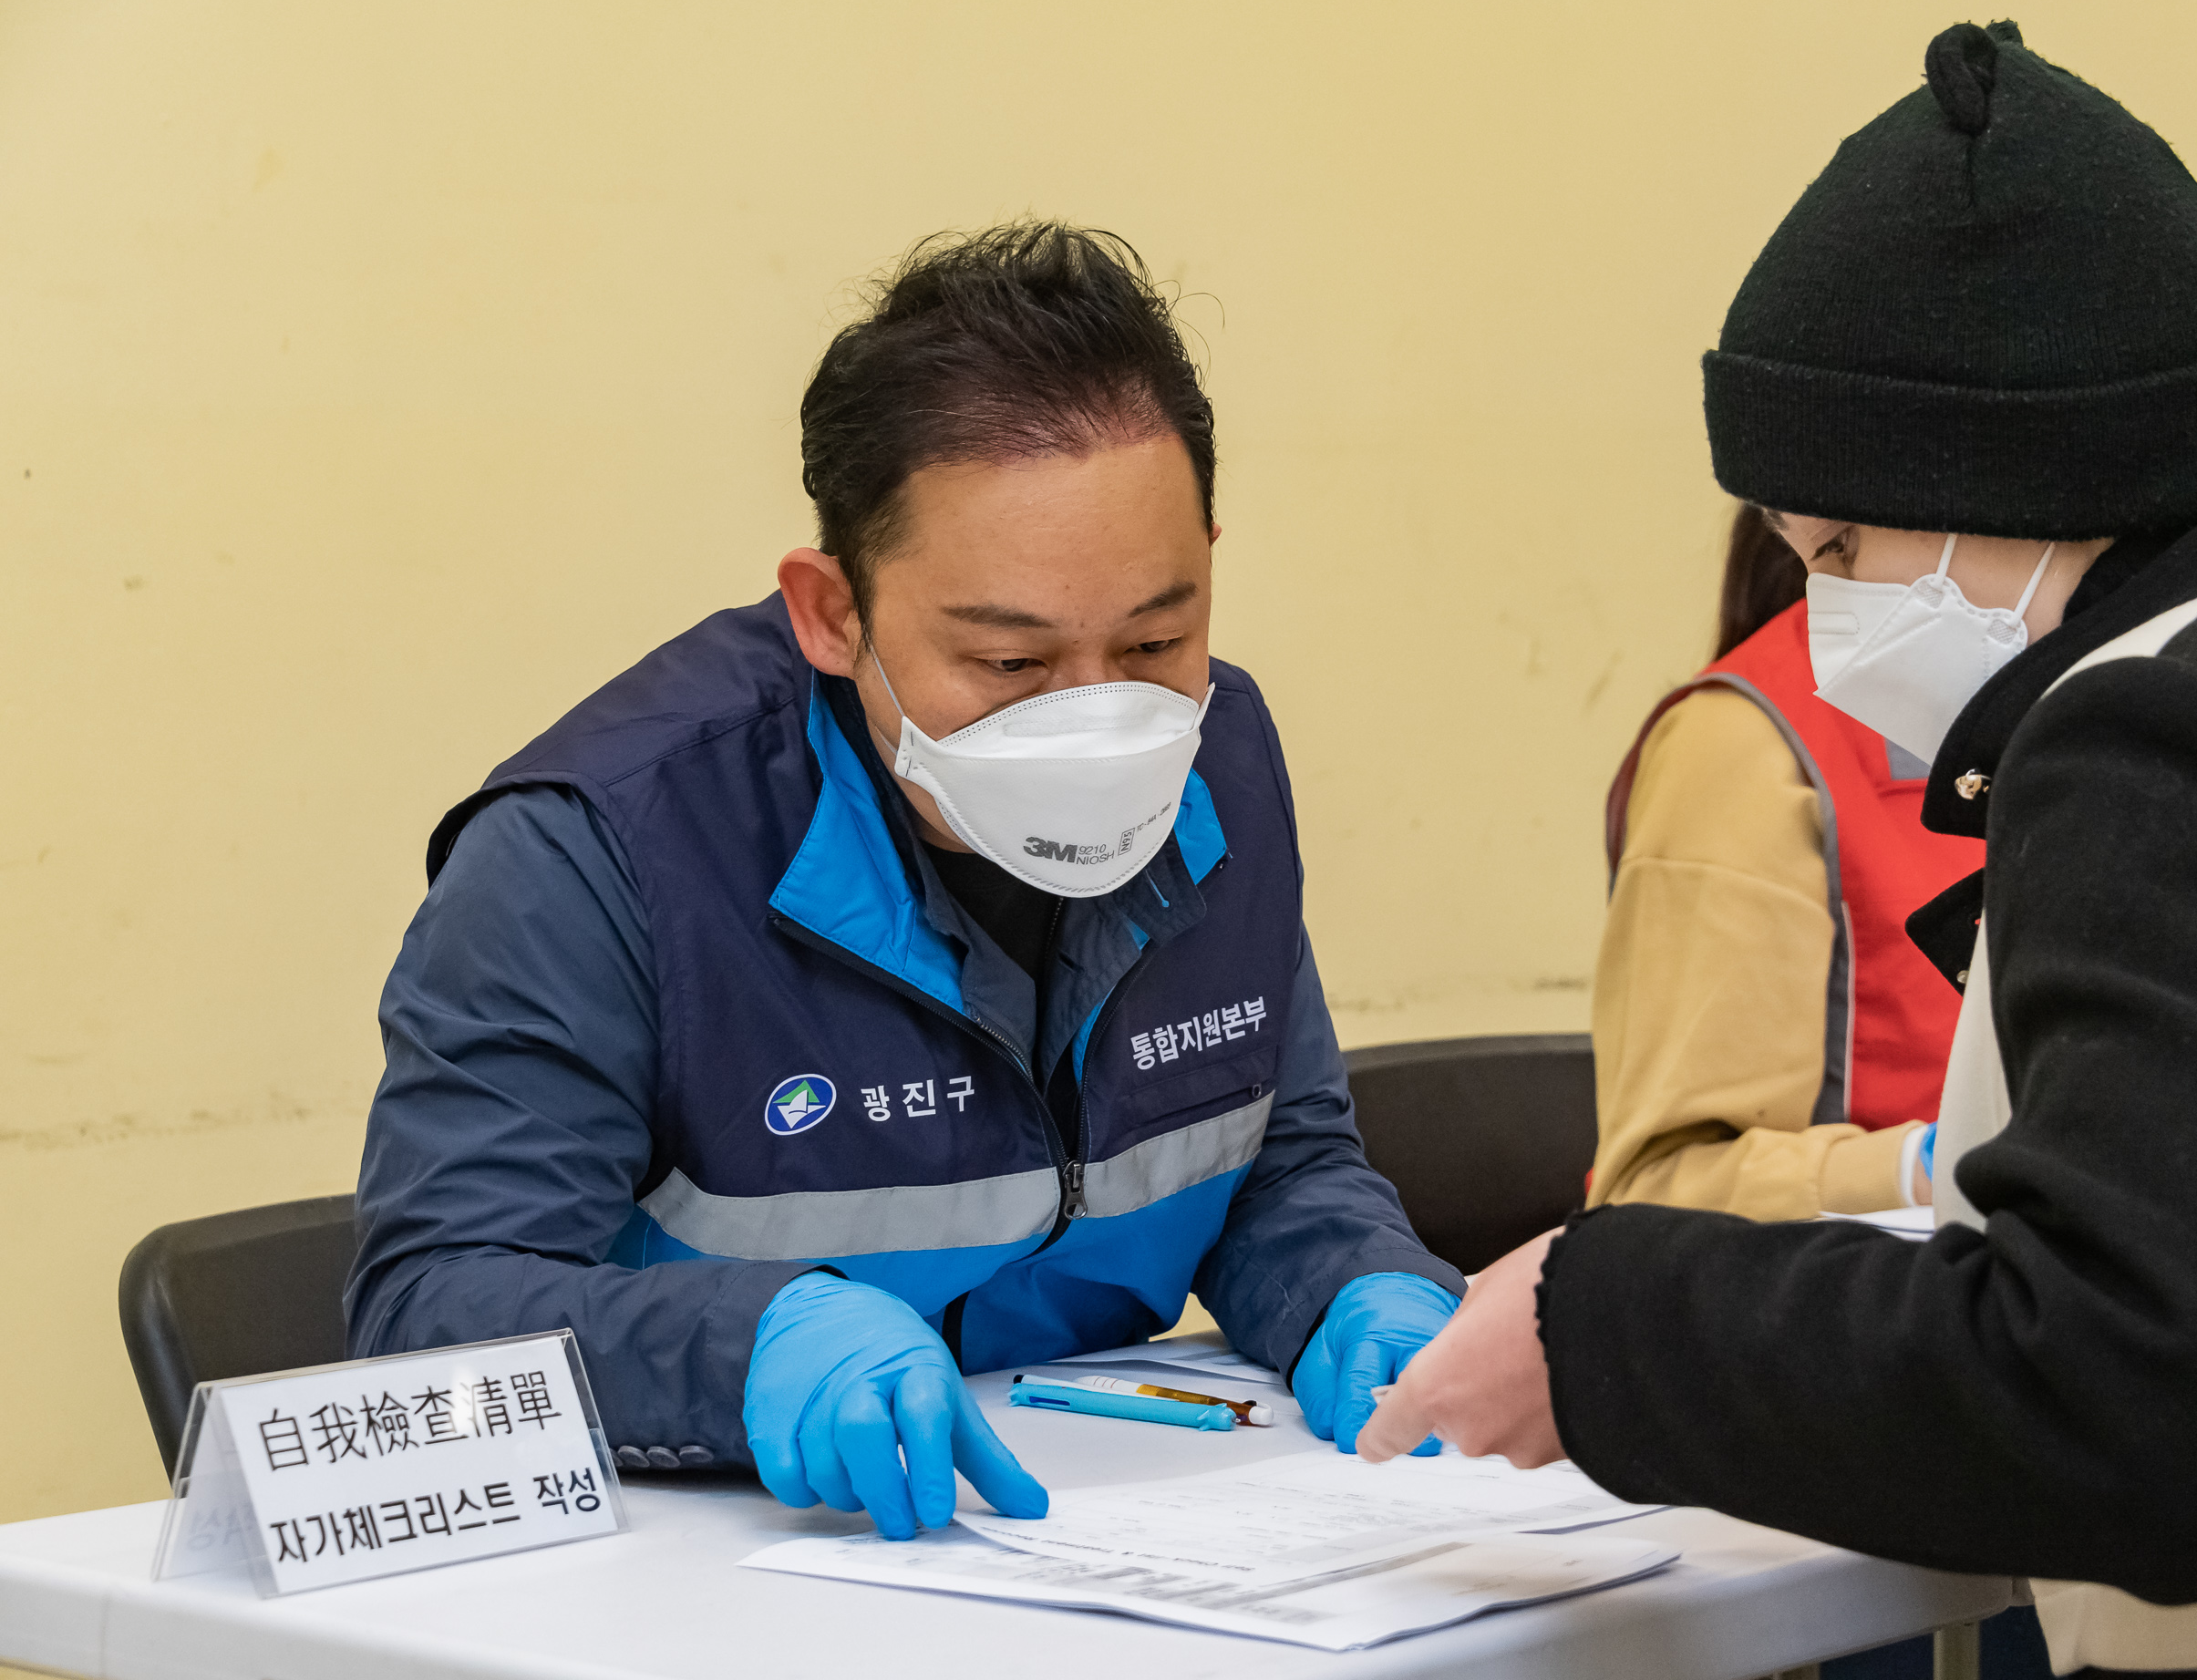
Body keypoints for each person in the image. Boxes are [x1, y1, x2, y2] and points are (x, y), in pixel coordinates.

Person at [1362, 21, 2197, 1677]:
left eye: (1839, 545)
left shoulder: (2166, 730)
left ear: (2004, 464)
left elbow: (2133, 1393)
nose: (1821, 616)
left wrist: (1608, 1335)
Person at [347, 223, 1465, 1541]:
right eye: (1008, 664)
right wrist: (752, 1348)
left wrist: (1359, 1287)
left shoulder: (1220, 762)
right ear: (833, 611)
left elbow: (1273, 1164)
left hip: (1099, 1545)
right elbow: (433, 1312)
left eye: (1160, 636)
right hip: (710, 1582)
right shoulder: (597, 853)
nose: (1100, 718)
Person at [1592, 502, 1980, 1221]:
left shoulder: (2058, 710)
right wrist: (1924, 1166)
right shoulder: (1739, 745)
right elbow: (1661, 1187)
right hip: (1855, 1291)